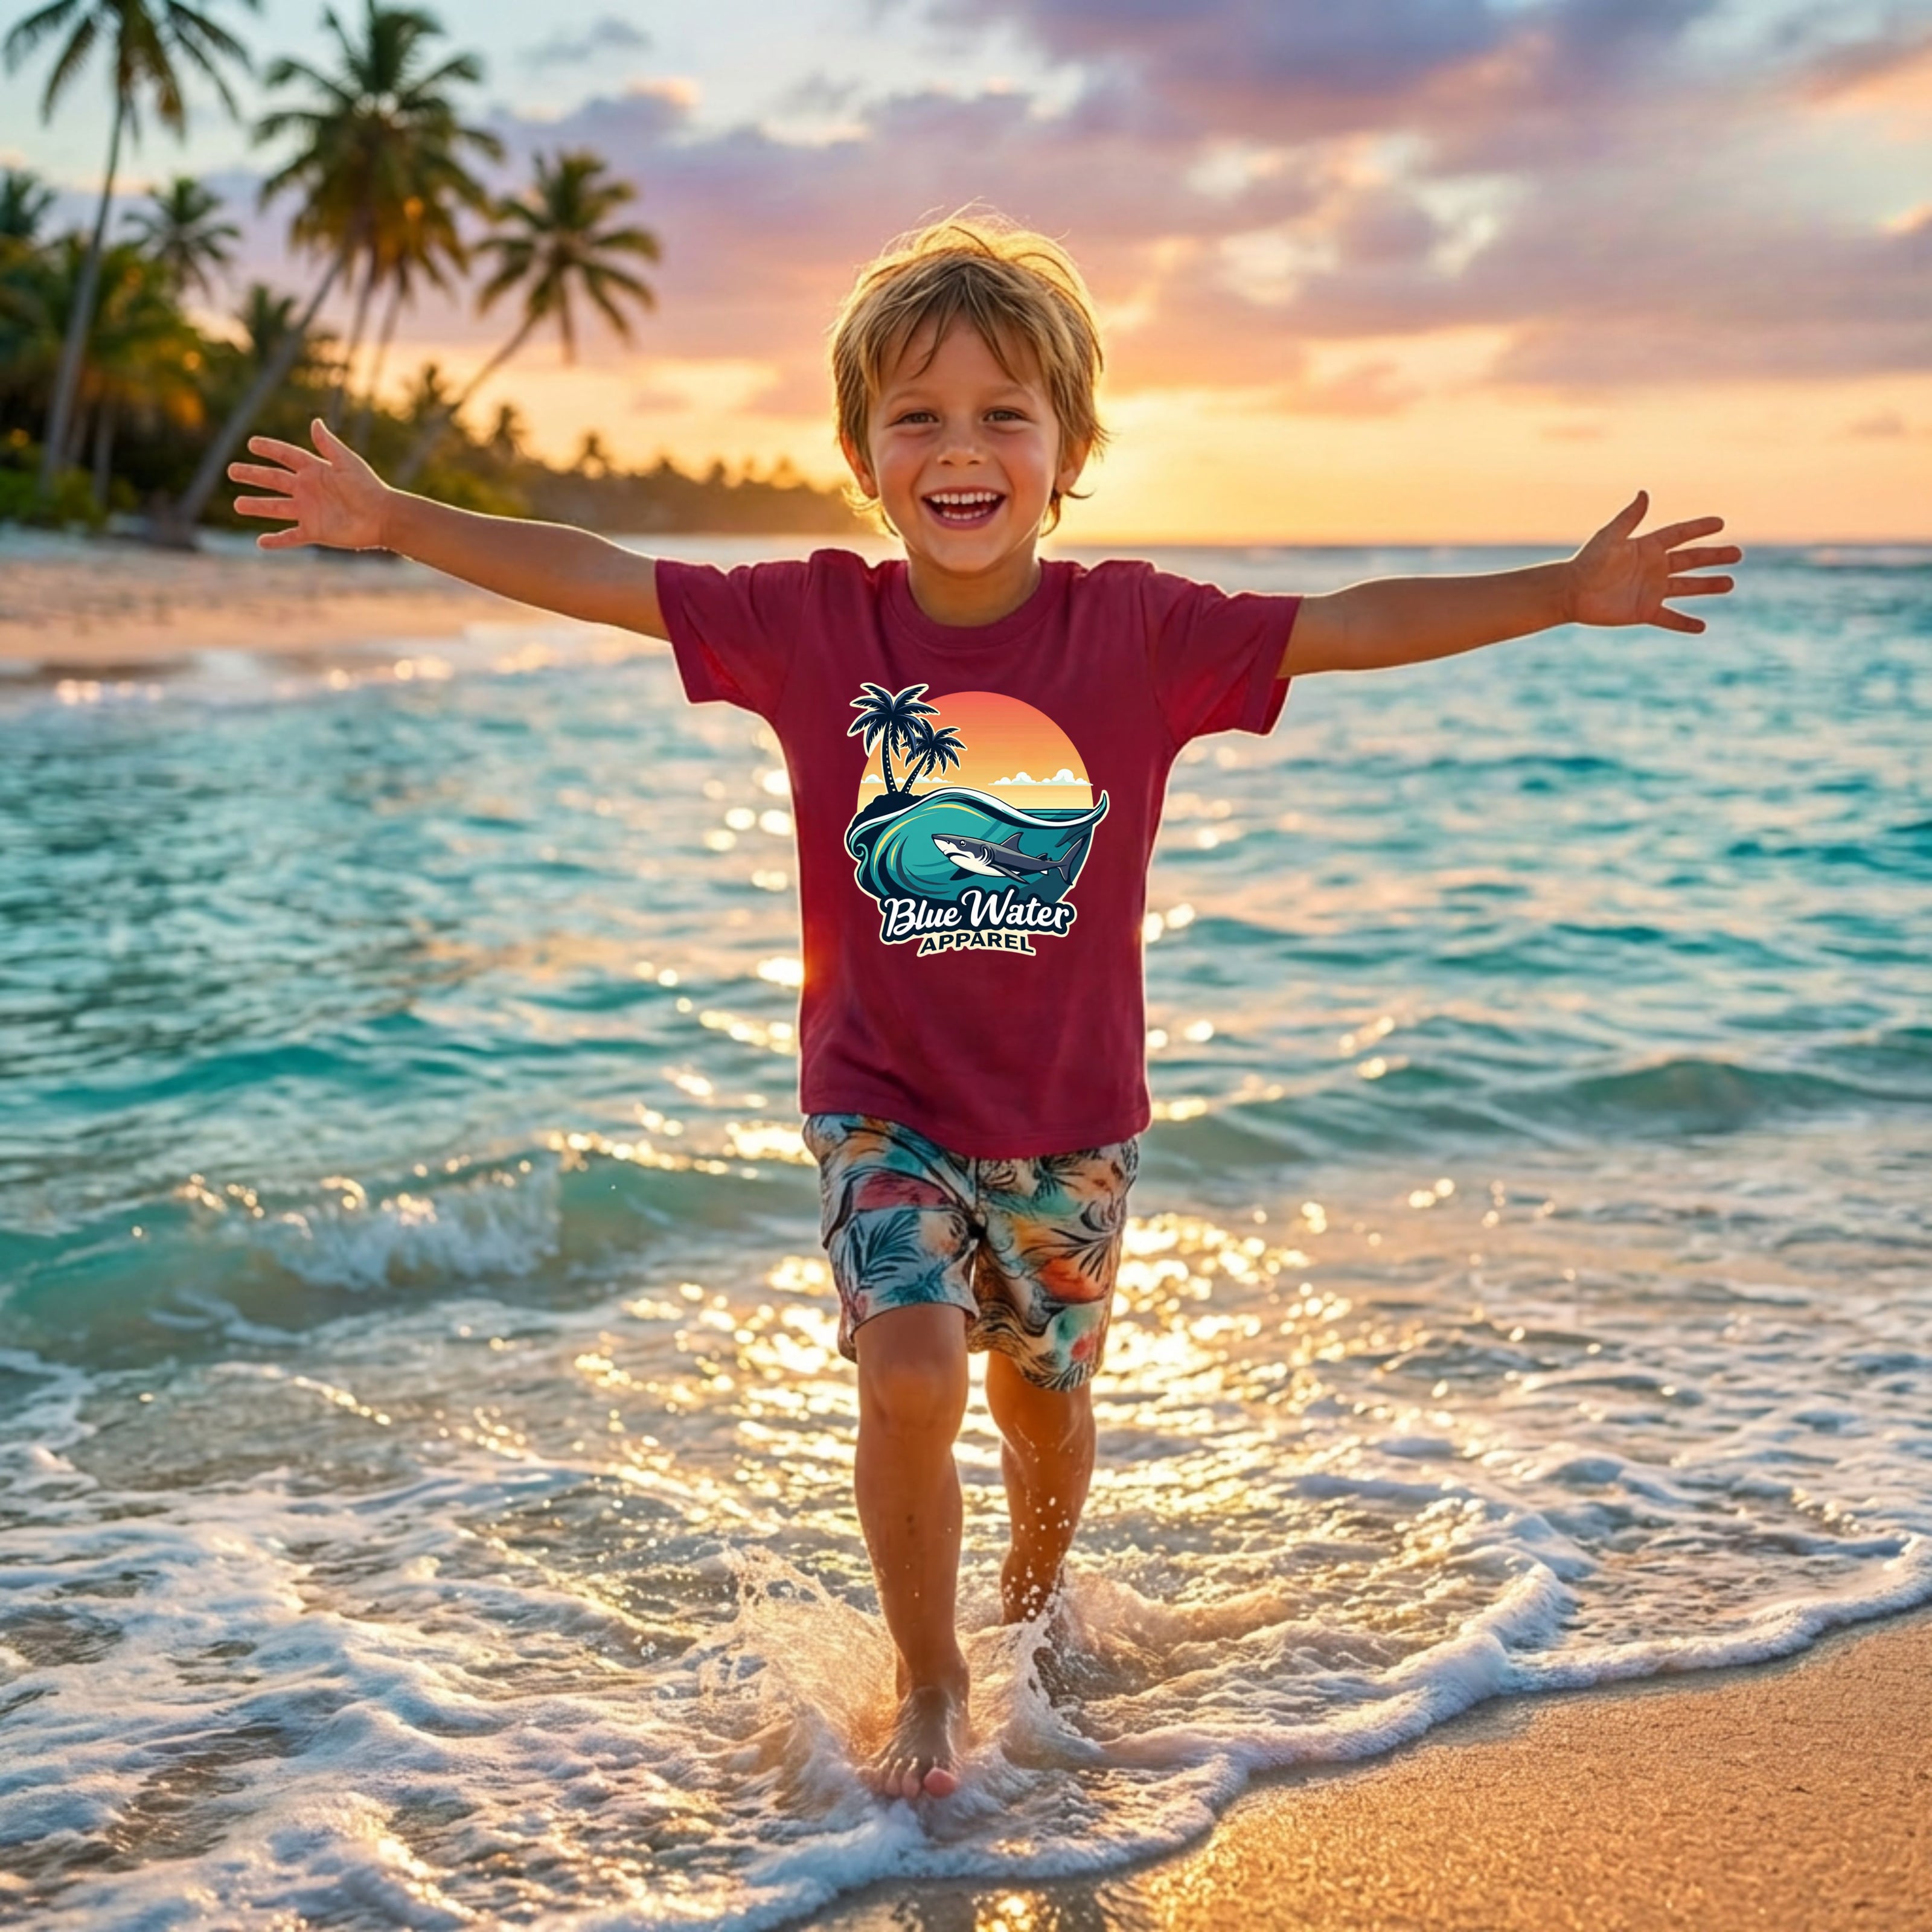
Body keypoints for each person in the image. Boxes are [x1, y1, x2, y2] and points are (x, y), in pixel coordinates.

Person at [229, 213, 1740, 1804]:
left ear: (1069, 448)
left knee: (1049, 1398)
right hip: (877, 1096)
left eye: (1004, 414)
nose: (962, 450)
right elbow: (606, 576)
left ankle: (1035, 1611)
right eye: (919, 418)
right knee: (910, 1370)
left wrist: (1564, 591)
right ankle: (937, 1681)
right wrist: (396, 518)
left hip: (1074, 1123)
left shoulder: (1137, 631)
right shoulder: (813, 621)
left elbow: (1348, 624)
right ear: (863, 454)